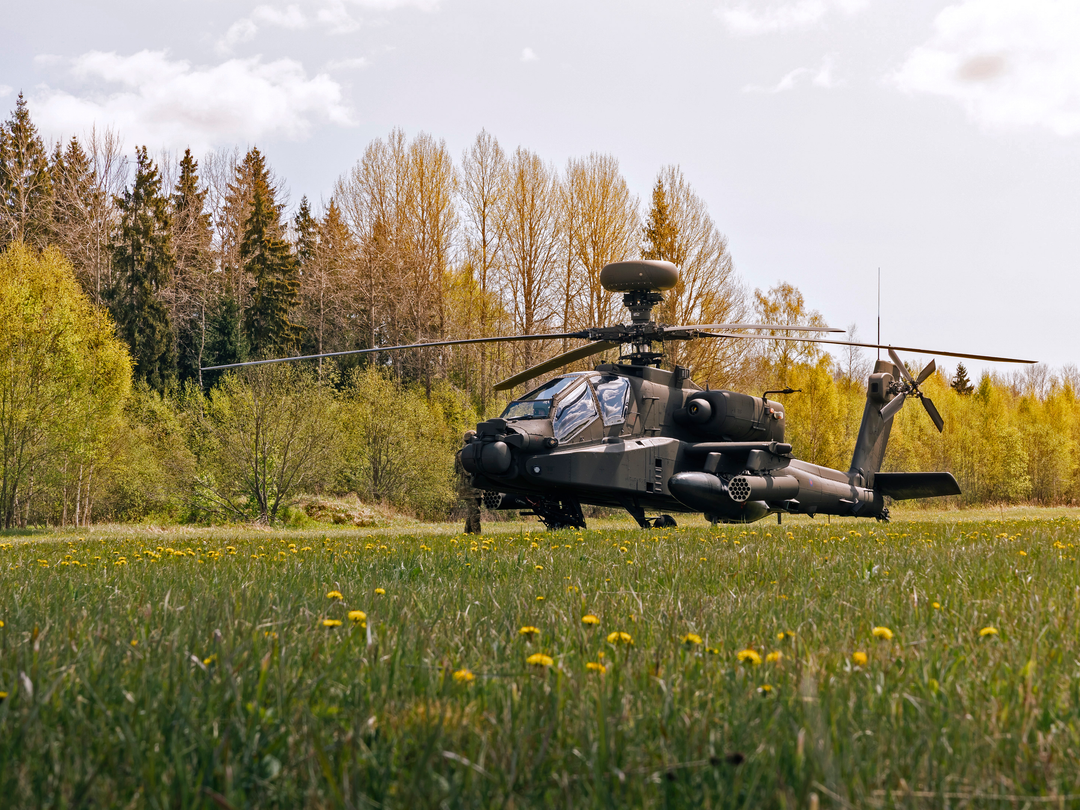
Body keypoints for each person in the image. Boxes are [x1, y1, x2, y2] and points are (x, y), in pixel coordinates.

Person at [455, 430, 481, 534]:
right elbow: (468, 472)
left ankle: (467, 533)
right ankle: (477, 534)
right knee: (475, 514)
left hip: (474, 489)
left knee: (472, 514)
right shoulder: (463, 454)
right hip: (469, 489)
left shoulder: (468, 452)